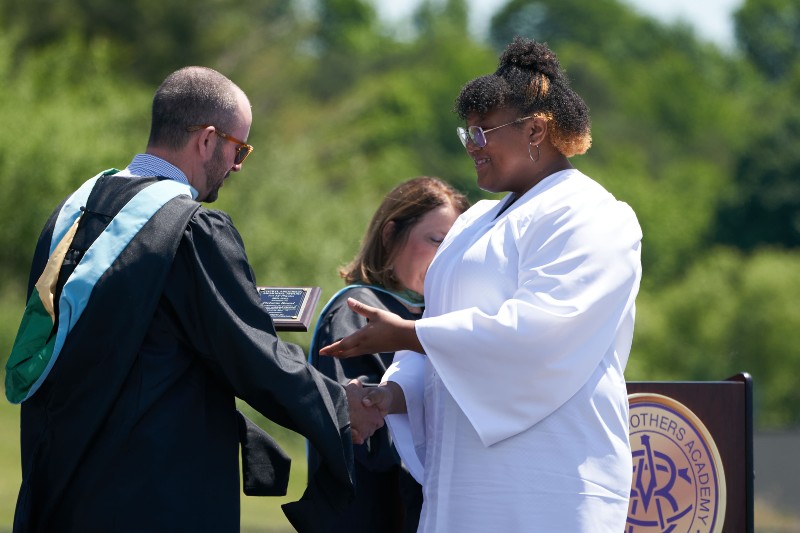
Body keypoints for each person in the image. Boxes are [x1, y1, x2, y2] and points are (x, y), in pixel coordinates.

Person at [4, 66, 383, 533]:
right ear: (207, 140)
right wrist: (341, 408)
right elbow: (255, 358)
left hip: (64, 480)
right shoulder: (189, 230)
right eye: (238, 148)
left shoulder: (73, 215)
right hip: (151, 494)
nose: (239, 163)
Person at [320, 37, 643, 532]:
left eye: (483, 132)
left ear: (537, 130)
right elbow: (441, 339)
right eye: (466, 133)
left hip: (548, 481)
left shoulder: (592, 215)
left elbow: (538, 335)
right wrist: (391, 397)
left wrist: (407, 334)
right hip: (461, 479)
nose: (472, 146)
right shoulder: (474, 223)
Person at [309, 177, 469, 533]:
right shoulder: (358, 311)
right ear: (390, 234)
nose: (445, 257)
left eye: (456, 246)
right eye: (435, 240)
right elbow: (358, 430)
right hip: (373, 512)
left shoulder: (439, 319)